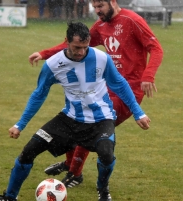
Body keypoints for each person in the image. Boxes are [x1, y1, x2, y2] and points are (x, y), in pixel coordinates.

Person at [0, 21, 151, 201]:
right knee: (28, 151)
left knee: (106, 154)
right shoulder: (52, 65)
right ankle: (9, 197)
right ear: (66, 41)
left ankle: (103, 191)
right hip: (70, 119)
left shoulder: (101, 58)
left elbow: (119, 84)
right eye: (76, 47)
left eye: (85, 46)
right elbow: (39, 94)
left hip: (101, 119)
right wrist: (20, 124)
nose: (81, 52)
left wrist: (138, 112)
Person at [28, 0, 163, 189]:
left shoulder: (132, 20)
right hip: (106, 86)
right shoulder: (101, 25)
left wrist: (148, 76)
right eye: (95, 6)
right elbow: (72, 44)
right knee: (73, 118)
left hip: (129, 90)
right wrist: (44, 54)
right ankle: (70, 164)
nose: (97, 11)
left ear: (113, 2)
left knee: (90, 126)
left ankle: (74, 173)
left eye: (100, 6)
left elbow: (156, 48)